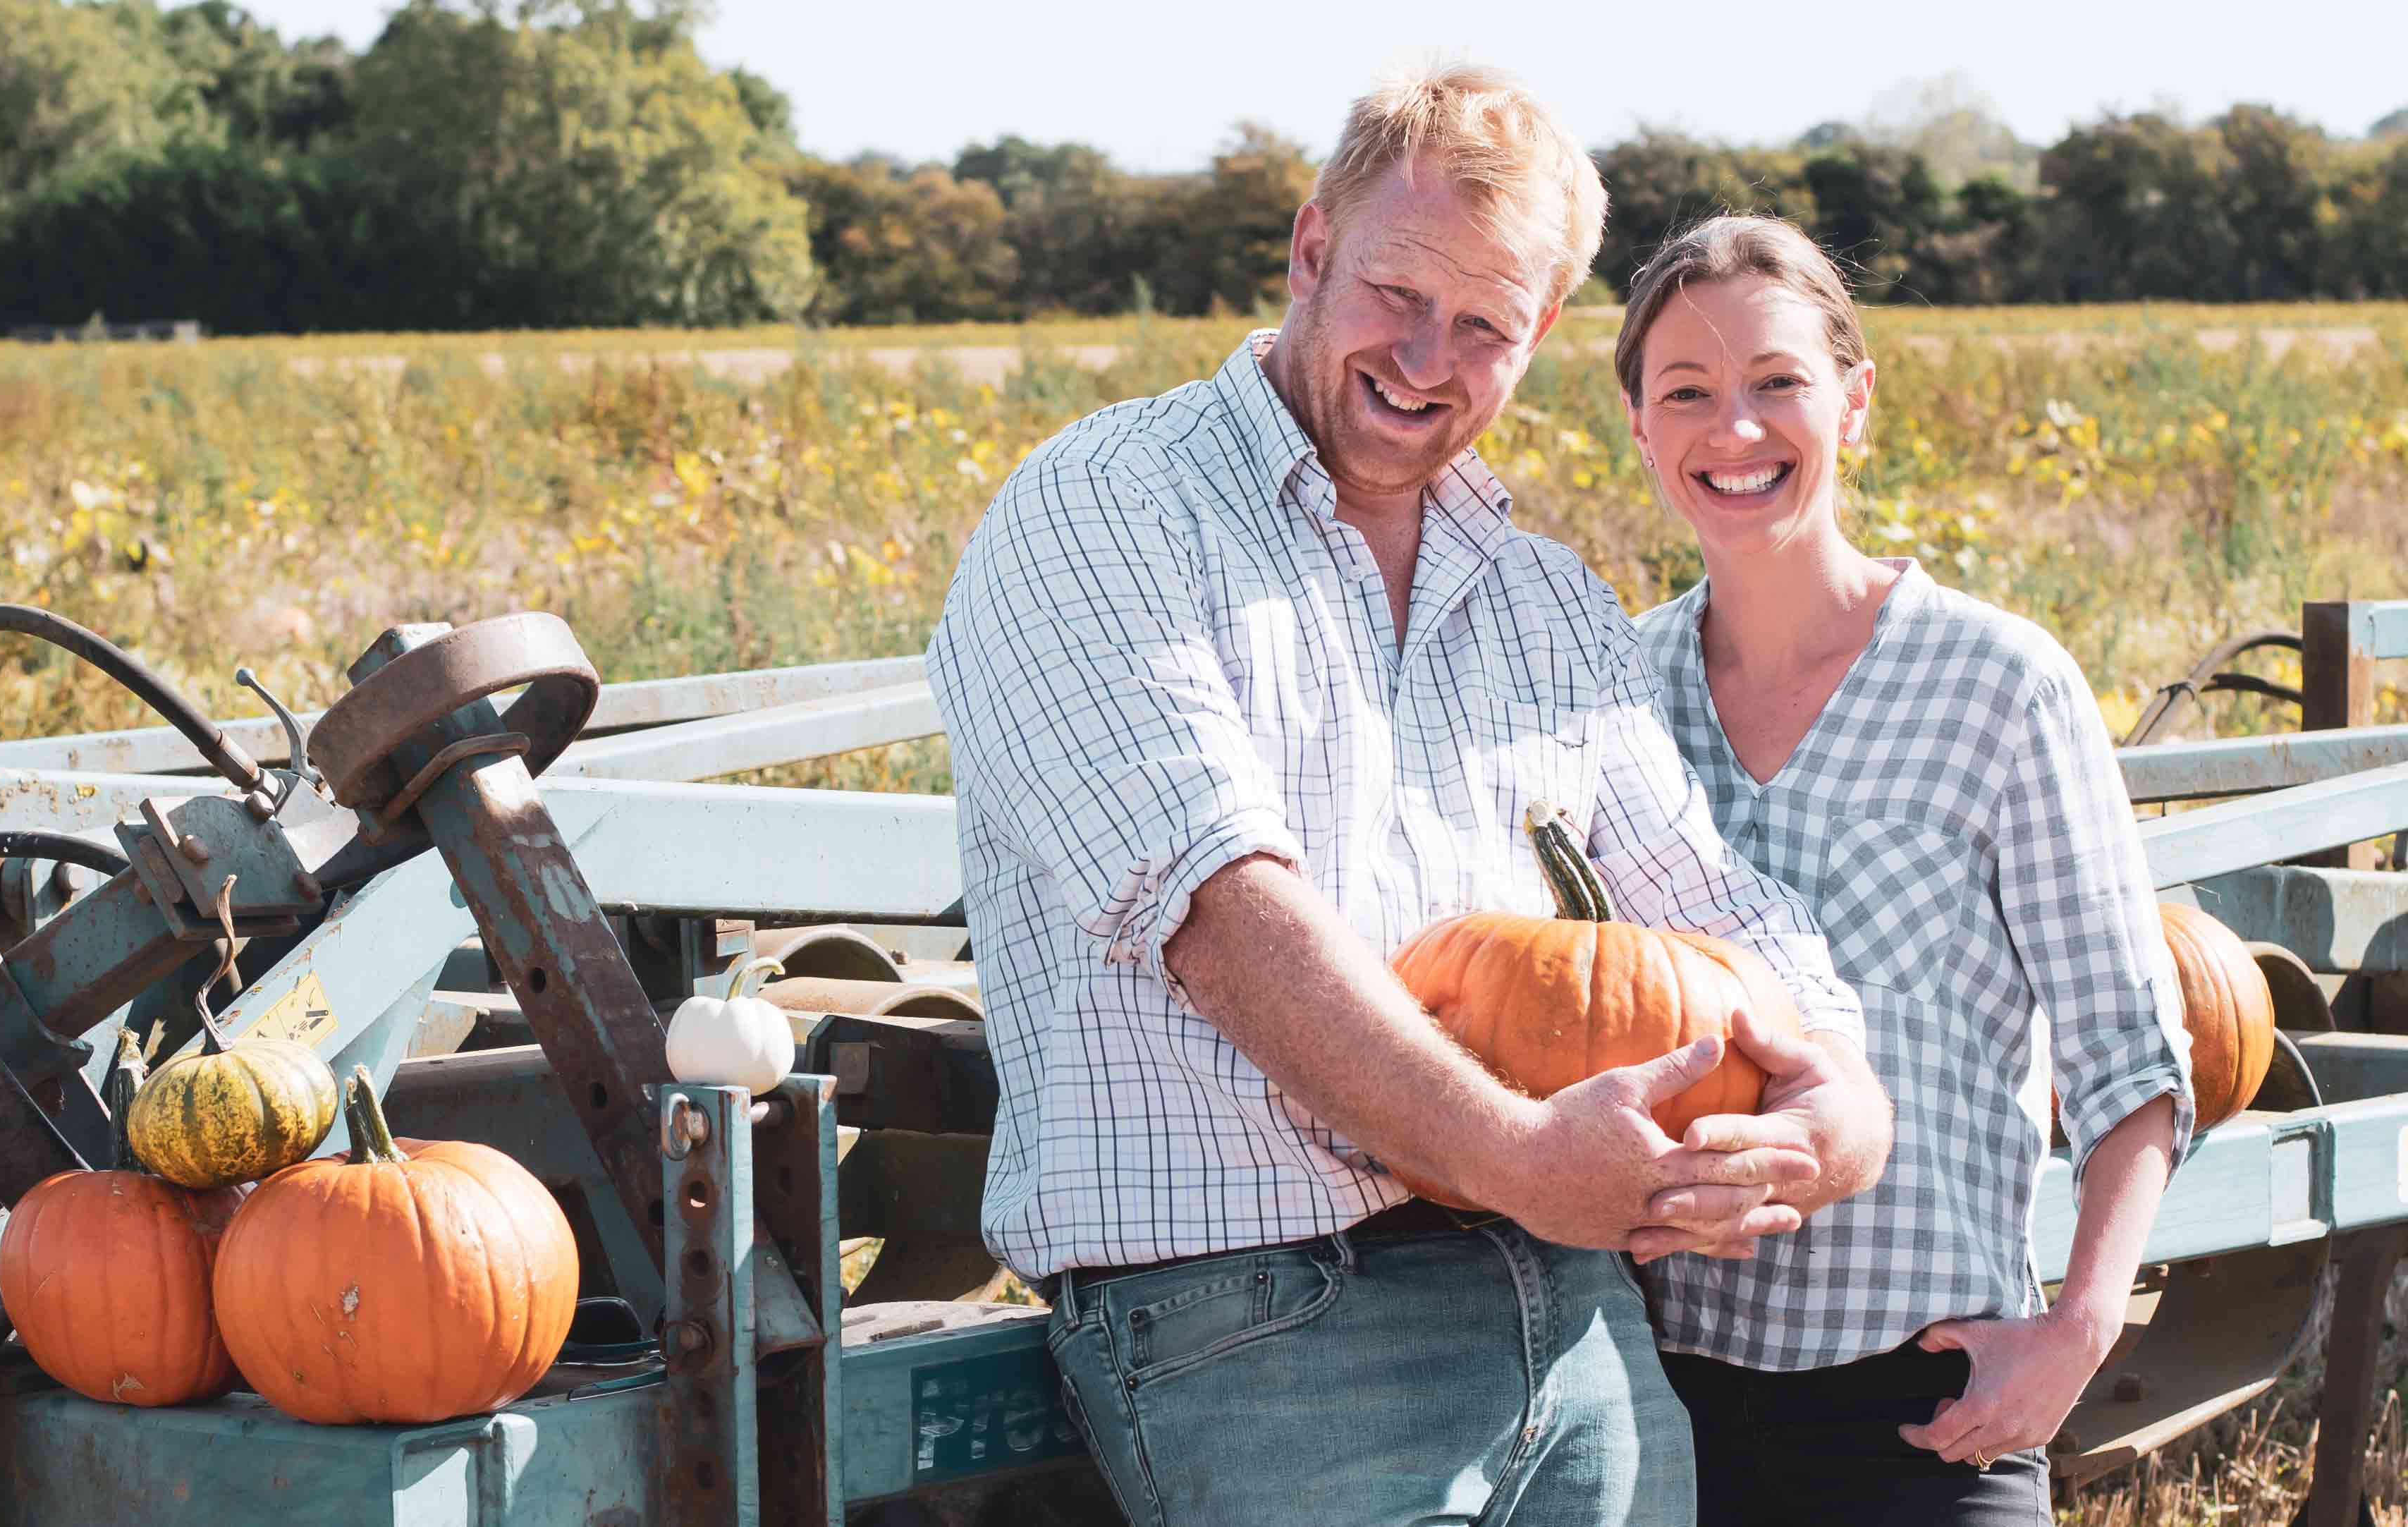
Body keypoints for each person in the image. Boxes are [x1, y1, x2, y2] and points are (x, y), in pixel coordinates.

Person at [923, 68, 1894, 1527]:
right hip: (1263, 1319)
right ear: (1312, 249)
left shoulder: (1541, 600)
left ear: (1537, 336)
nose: (1425, 356)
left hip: (1573, 1306)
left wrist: (1837, 1108)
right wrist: (1511, 1153)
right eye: (1395, 292)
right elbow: (1220, 917)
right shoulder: (1105, 506)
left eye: (1484, 326)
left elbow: (1710, 905)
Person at [1616, 214, 2196, 1526]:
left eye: (1778, 383)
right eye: (1689, 393)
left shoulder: (1998, 685)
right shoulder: (1612, 692)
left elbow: (2129, 1049)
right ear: (1642, 430)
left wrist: (2078, 1329)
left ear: (1853, 400)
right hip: (1660, 1401)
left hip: (1927, 1409)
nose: (1737, 429)